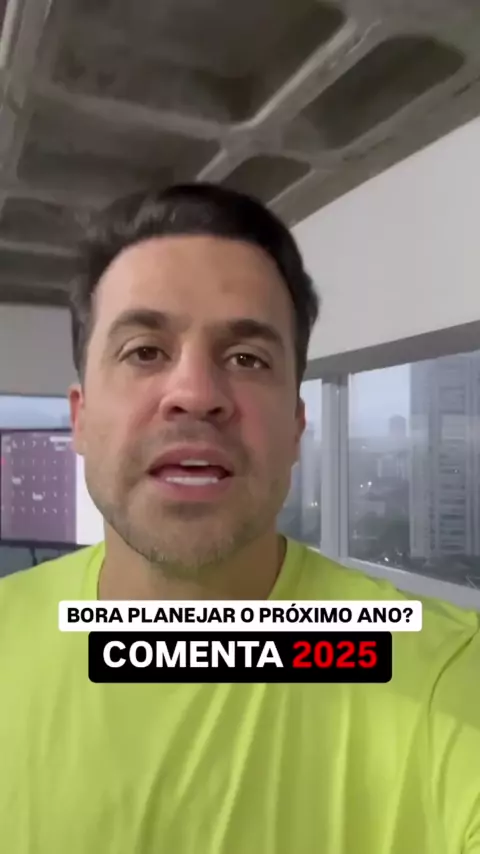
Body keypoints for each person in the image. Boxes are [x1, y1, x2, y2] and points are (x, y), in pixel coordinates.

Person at [0, 183, 479, 854]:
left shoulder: (448, 675)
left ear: (295, 428)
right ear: (79, 419)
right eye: (144, 351)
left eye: (247, 359)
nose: (196, 394)